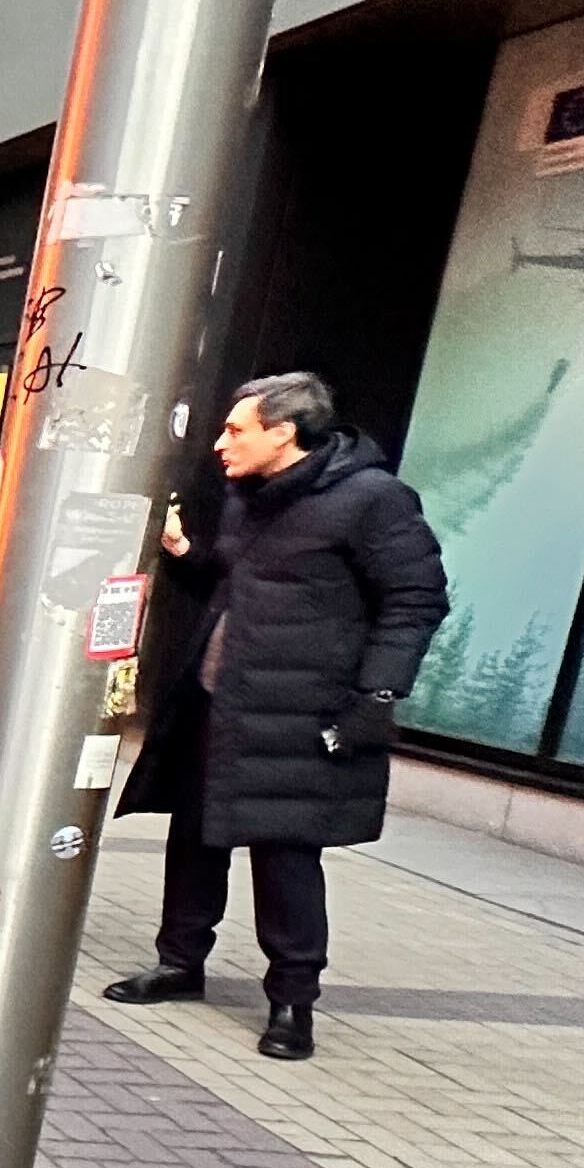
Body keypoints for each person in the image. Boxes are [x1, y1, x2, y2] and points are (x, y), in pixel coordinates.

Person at [103, 372, 449, 1062]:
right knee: (195, 835)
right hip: (216, 700)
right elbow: (236, 586)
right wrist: (182, 553)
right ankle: (180, 962)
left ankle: (293, 1003)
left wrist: (376, 696)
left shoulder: (372, 499)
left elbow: (417, 598)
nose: (220, 443)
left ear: (284, 433)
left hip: (298, 711)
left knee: (284, 855)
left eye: (236, 430)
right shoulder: (250, 497)